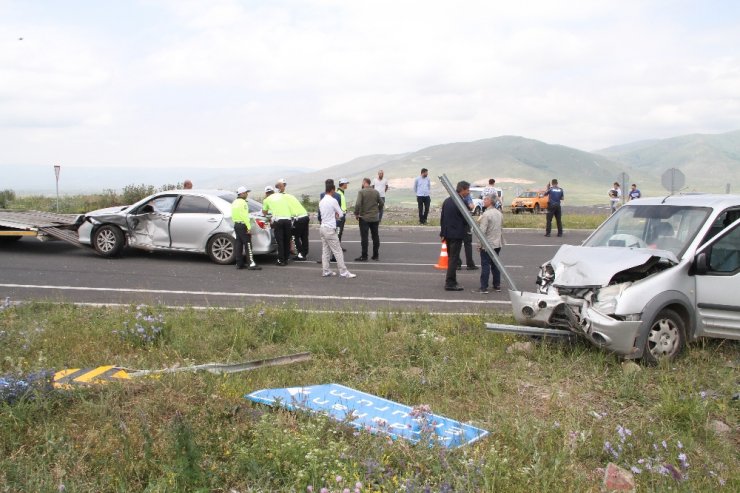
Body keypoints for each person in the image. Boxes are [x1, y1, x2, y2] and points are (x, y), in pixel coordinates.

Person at [319, 182, 356, 278]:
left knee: (326, 250)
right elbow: (341, 213)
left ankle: (326, 270)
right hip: (330, 229)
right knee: (338, 251)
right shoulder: (333, 200)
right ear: (332, 190)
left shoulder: (321, 201)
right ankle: (343, 272)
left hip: (322, 227)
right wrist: (336, 215)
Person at [440, 180, 470, 291]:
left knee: (451, 259)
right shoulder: (461, 202)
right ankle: (450, 283)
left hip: (448, 234)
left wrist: (443, 233)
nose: (468, 192)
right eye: (467, 190)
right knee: (454, 259)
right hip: (456, 235)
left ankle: (451, 280)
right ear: (462, 189)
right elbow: (466, 219)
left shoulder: (447, 201)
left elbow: (442, 218)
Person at [473, 195, 504, 293]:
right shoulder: (499, 213)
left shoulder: (486, 214)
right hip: (497, 242)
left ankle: (483, 287)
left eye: (486, 199)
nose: (483, 201)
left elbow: (482, 231)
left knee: (485, 264)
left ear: (490, 201)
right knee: (495, 264)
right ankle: (497, 285)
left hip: (487, 243)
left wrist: (479, 244)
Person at [231, 186, 261, 270]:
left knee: (239, 244)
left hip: (237, 225)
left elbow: (233, 214)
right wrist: (248, 227)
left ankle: (239, 263)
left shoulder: (234, 202)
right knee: (248, 244)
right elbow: (245, 216)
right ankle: (251, 264)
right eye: (246, 193)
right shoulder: (243, 203)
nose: (247, 194)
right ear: (242, 193)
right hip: (243, 225)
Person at [262, 186, 292, 266]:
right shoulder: (281, 196)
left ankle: (281, 260)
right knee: (286, 240)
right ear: (273, 191)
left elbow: (264, 212)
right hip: (288, 219)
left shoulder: (266, 200)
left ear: (266, 193)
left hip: (278, 220)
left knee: (280, 241)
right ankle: (286, 259)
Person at [354, 177, 382, 261]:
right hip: (375, 217)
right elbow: (381, 203)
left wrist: (356, 213)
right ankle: (376, 255)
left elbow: (358, 204)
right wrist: (377, 210)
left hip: (364, 217)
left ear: (364, 182)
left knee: (364, 237)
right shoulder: (376, 192)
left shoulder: (361, 192)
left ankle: (364, 256)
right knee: (375, 236)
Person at [283, 191, 310, 260]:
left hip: (298, 218)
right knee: (304, 236)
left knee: (295, 237)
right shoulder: (291, 196)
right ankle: (305, 253)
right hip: (305, 216)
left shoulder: (282, 199)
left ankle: (301, 254)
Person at [458, 191, 478, 270]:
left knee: (458, 244)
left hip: (458, 223)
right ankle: (469, 264)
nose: (468, 192)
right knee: (467, 244)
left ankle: (457, 263)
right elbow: (471, 206)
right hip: (465, 223)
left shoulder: (454, 196)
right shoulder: (467, 197)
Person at [336, 178, 349, 247]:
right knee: (338, 232)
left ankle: (338, 246)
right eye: (346, 183)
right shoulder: (339, 193)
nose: (347, 185)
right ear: (343, 184)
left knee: (340, 232)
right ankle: (337, 248)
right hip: (340, 216)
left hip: (342, 215)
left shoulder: (341, 193)